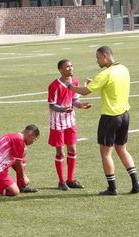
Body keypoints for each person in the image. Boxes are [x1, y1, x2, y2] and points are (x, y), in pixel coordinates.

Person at [66, 46, 139, 195]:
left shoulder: (105, 73)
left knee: (106, 153)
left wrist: (70, 87)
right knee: (122, 149)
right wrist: (94, 82)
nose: (97, 61)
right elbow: (111, 85)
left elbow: (86, 91)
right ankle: (136, 181)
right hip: (124, 115)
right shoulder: (123, 69)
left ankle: (112, 188)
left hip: (110, 117)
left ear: (105, 56)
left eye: (98, 58)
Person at [48, 59, 92, 191]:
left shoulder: (75, 82)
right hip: (57, 122)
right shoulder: (54, 86)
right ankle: (61, 181)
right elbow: (52, 105)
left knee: (72, 150)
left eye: (71, 66)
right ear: (60, 70)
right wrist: (63, 109)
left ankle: (70, 179)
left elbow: (75, 100)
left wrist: (81, 105)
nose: (70, 68)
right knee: (60, 151)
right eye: (67, 67)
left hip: (70, 121)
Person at [0, 125, 40, 197]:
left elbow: (17, 160)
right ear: (29, 135)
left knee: (22, 155)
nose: (33, 142)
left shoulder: (14, 136)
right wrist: (24, 177)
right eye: (34, 139)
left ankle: (21, 186)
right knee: (14, 192)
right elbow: (18, 163)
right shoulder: (19, 140)